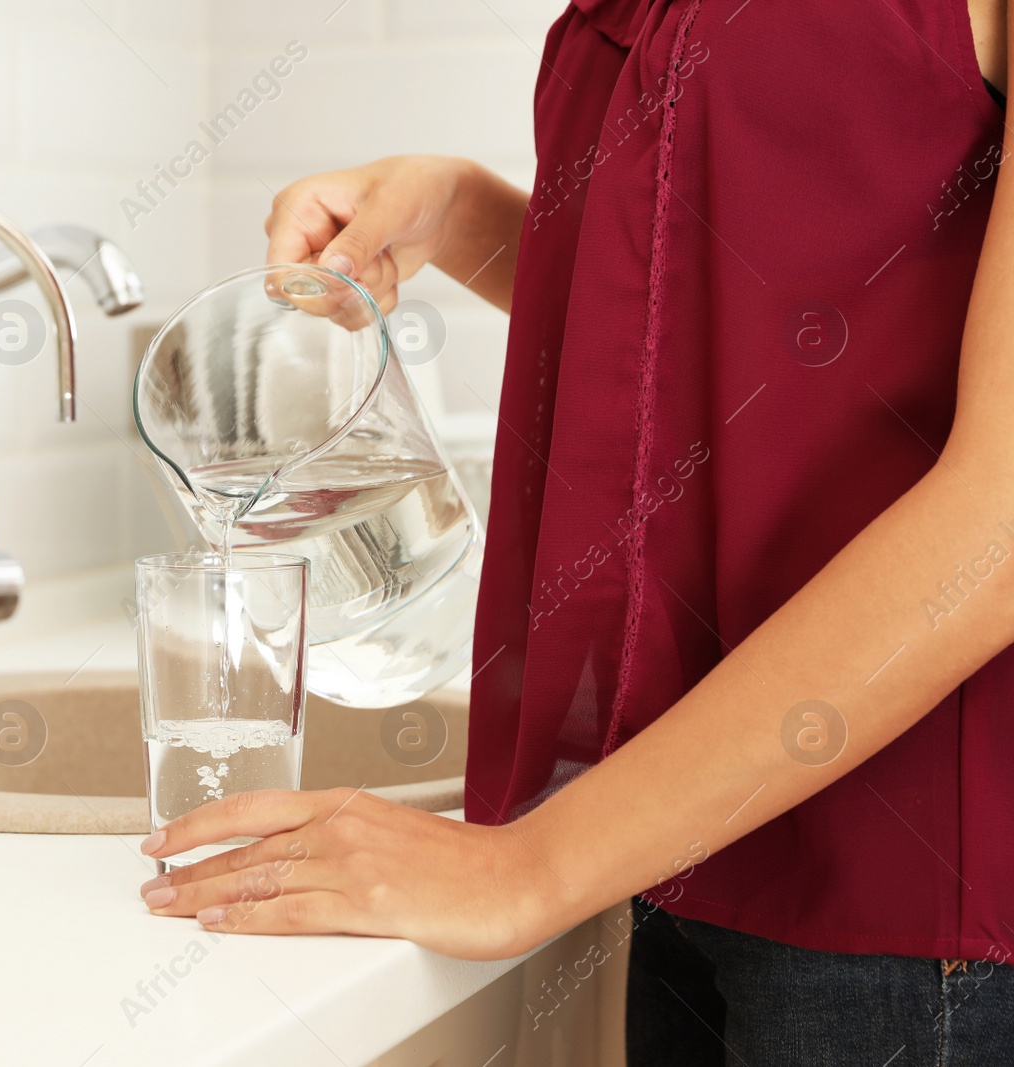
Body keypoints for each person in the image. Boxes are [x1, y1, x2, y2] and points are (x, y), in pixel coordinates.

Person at [136, 0, 1014, 1062]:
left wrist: (527, 866)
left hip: (907, 908)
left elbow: (997, 519)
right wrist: (460, 216)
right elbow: (754, 305)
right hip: (685, 831)